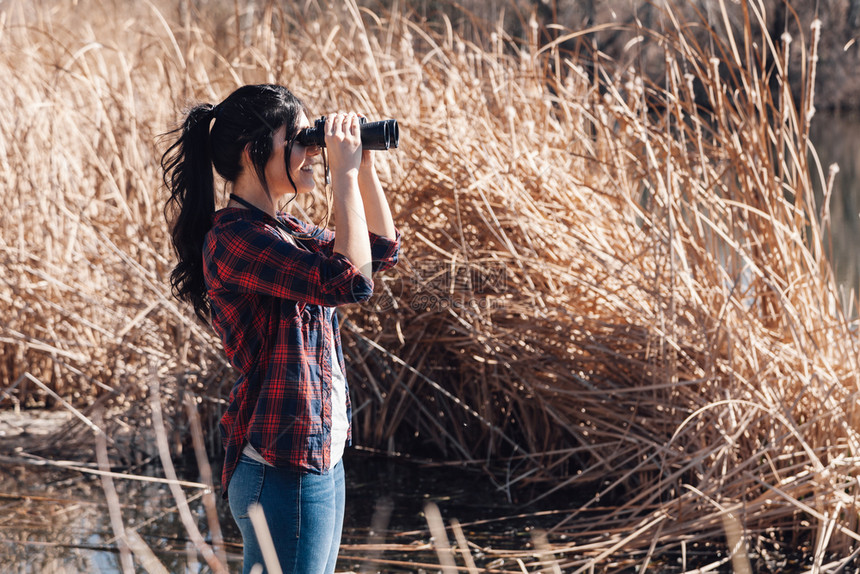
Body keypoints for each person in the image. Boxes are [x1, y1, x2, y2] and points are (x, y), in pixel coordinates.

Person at [161, 84, 400, 574]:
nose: (314, 150)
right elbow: (351, 282)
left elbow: (378, 253)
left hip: (318, 458)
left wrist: (364, 167)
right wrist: (345, 176)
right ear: (253, 153)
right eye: (300, 138)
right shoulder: (236, 239)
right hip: (281, 465)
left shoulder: (284, 230)